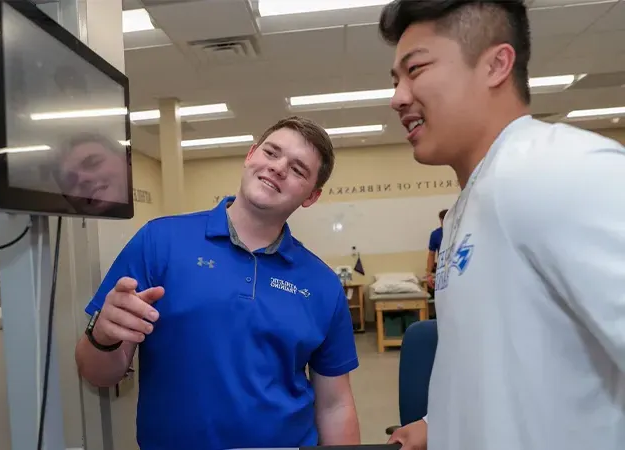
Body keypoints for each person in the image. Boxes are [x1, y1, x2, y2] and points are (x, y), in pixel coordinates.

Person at [378, 1, 625, 450]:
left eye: (416, 70)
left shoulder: (558, 170)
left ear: (495, 65)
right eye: (396, 80)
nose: (397, 97)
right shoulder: (468, 206)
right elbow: (493, 357)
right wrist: (441, 423)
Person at [74, 116, 361, 450]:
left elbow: (335, 405)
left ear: (311, 196)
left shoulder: (322, 284)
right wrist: (103, 336)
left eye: (298, 169)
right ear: (251, 155)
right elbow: (97, 373)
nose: (278, 168)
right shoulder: (159, 242)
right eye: (271, 153)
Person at [425, 209, 447, 292]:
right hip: (443, 269)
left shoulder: (458, 232)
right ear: (441, 220)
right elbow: (431, 254)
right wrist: (429, 274)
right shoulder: (436, 234)